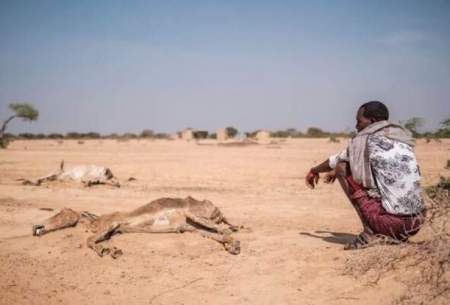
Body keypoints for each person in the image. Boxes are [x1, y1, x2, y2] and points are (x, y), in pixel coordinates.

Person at [305, 101, 425, 249]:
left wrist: (314, 170)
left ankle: (369, 233)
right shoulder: (401, 138)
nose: (356, 126)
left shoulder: (365, 140)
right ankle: (394, 235)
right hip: (416, 222)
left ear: (372, 121)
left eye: (359, 121)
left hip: (393, 223)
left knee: (342, 167)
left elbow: (336, 161)